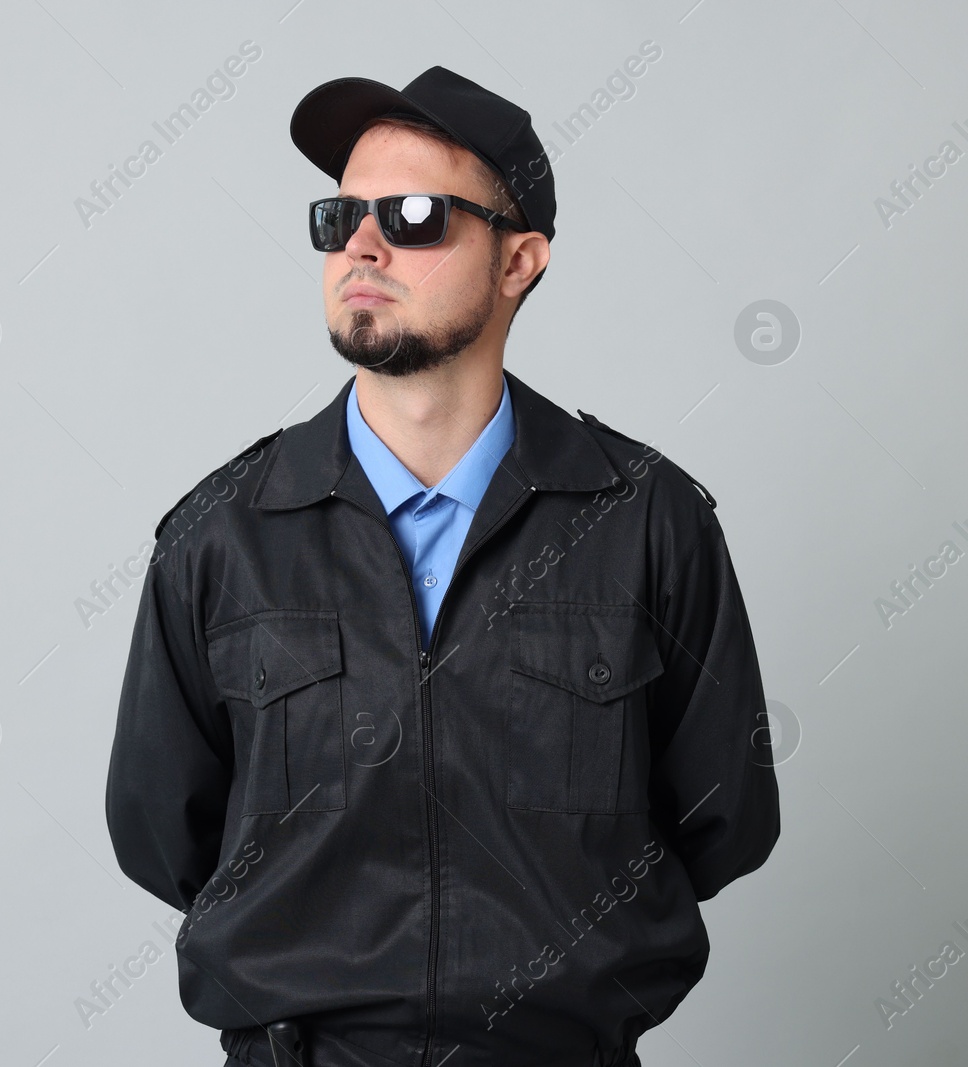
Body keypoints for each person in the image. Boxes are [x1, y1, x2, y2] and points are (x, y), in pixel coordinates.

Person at [104, 64, 780, 1067]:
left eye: (416, 215)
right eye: (340, 217)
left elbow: (723, 816)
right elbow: (161, 830)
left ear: (520, 261)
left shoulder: (647, 519)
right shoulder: (221, 532)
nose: (363, 246)